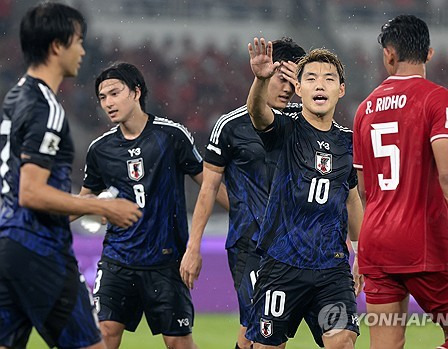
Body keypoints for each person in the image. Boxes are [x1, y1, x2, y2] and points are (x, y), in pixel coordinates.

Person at [0, 3, 142, 349]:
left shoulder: (16, 96)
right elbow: (31, 193)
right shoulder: (45, 107)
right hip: (39, 248)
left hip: (7, 246)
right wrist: (106, 208)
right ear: (56, 46)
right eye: (78, 40)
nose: (83, 49)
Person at [352, 15, 448, 349]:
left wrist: (362, 249)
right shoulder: (438, 99)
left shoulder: (364, 109)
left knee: (385, 345)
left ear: (388, 54)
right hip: (423, 241)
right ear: (429, 53)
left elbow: (364, 189)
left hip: (376, 241)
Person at [78, 62, 228, 349]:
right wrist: (99, 209)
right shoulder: (100, 149)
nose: (108, 103)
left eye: (114, 93)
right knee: (104, 334)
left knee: (178, 343)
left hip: (165, 261)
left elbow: (209, 184)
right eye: (102, 98)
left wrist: (248, 218)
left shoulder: (171, 136)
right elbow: (84, 200)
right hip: (117, 261)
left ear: (136, 92)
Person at [180, 37, 306, 349]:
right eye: (282, 78)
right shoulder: (230, 126)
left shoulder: (306, 124)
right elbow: (208, 189)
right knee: (266, 334)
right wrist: (193, 246)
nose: (288, 88)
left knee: (252, 333)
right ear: (264, 73)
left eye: (295, 80)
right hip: (249, 245)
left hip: (296, 245)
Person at [244, 38, 363, 348]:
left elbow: (351, 197)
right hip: (282, 264)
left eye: (328, 78)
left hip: (331, 268)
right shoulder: (285, 128)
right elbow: (258, 113)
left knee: (343, 342)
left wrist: (361, 251)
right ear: (299, 88)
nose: (319, 84)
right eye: (310, 78)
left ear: (341, 89)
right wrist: (260, 79)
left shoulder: (350, 143)